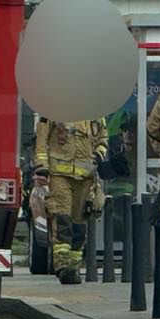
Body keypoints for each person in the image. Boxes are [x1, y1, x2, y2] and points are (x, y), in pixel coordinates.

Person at [33, 114, 109, 284]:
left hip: (85, 177)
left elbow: (103, 138)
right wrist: (42, 165)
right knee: (62, 218)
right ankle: (62, 266)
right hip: (59, 175)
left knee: (79, 224)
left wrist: (98, 155)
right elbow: (42, 138)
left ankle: (73, 267)